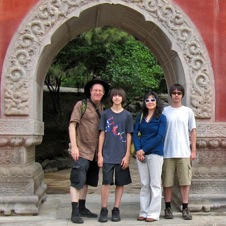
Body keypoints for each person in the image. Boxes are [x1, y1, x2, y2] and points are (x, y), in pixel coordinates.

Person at [69, 78, 110, 224]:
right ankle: (74, 212)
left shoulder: (103, 109)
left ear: (103, 93)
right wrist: (74, 146)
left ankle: (82, 207)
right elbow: (72, 125)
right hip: (81, 150)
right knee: (77, 180)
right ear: (90, 92)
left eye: (100, 90)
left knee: (86, 180)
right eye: (95, 90)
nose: (98, 92)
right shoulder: (81, 105)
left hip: (94, 152)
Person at [97, 88, 134, 223]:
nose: (117, 98)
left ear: (123, 98)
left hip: (121, 155)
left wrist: (127, 155)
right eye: (115, 95)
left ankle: (116, 209)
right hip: (107, 154)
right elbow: (102, 134)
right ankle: (104, 209)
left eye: (119, 95)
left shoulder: (127, 115)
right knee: (106, 182)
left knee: (120, 183)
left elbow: (129, 134)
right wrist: (99, 154)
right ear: (111, 97)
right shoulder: (105, 114)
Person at [162, 83, 196, 220]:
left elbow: (193, 131)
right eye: (174, 93)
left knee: (185, 181)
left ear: (182, 95)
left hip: (183, 152)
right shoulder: (165, 111)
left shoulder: (188, 111)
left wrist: (193, 150)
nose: (176, 95)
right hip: (167, 152)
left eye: (179, 93)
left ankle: (185, 207)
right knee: (167, 182)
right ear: (170, 95)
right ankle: (168, 207)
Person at [132, 91, 167, 222]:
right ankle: (144, 211)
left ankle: (153, 213)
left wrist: (144, 150)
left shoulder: (161, 118)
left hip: (155, 153)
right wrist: (138, 150)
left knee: (155, 184)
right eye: (147, 100)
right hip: (141, 153)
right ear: (144, 102)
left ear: (156, 102)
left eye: (152, 100)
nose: (150, 102)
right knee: (144, 184)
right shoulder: (141, 115)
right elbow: (135, 134)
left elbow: (160, 137)